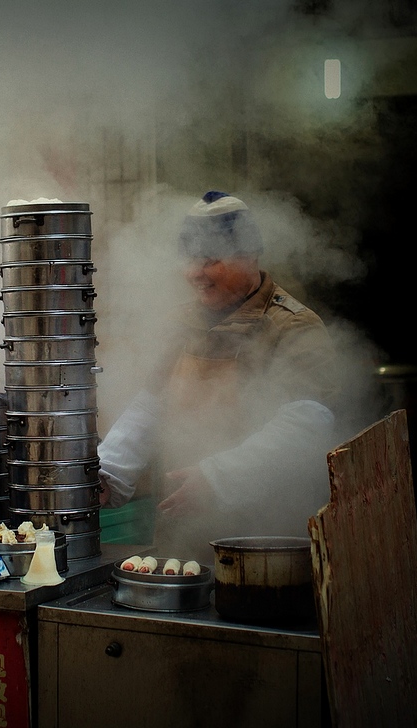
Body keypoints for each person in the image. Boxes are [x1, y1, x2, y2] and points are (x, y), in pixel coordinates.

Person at [98, 191, 339, 561]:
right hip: (181, 532)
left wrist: (218, 478)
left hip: (266, 541)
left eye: (211, 260)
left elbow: (309, 422)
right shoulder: (179, 322)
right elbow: (151, 403)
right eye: (190, 259)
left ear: (250, 256)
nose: (196, 273)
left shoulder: (293, 327)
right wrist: (109, 472)